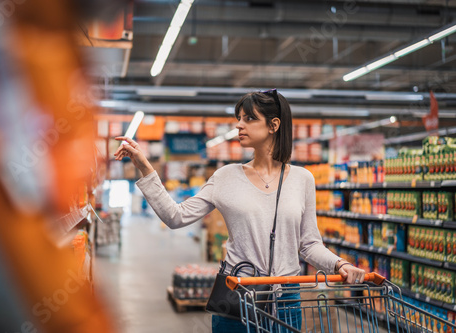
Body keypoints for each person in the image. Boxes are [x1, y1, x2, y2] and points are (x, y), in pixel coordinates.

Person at [114, 89, 366, 332]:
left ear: (273, 125)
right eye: (239, 118)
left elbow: (309, 243)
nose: (239, 125)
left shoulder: (303, 179)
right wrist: (145, 167)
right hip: (237, 295)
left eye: (249, 118)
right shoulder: (226, 177)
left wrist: (339, 264)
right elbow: (176, 216)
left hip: (287, 300)